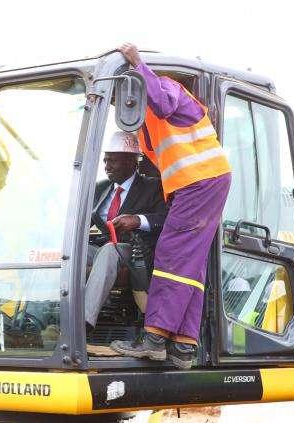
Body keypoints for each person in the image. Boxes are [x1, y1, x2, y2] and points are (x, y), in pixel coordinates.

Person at [110, 43, 232, 369]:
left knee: (172, 254)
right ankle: (184, 346)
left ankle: (154, 338)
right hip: (201, 183)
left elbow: (163, 103)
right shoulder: (147, 126)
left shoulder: (166, 87)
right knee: (190, 263)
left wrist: (137, 63)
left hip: (200, 181)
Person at [85, 131, 167, 333]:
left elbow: (168, 219)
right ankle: (43, 314)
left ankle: (82, 323)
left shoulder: (153, 187)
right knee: (69, 252)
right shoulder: (99, 189)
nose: (107, 166)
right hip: (105, 247)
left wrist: (137, 220)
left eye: (113, 160)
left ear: (132, 161)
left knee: (109, 252)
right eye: (105, 161)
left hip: (137, 251)